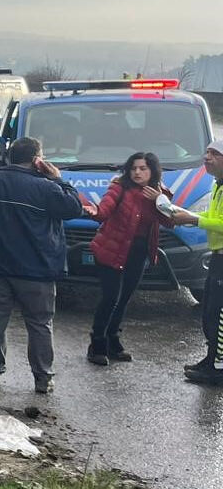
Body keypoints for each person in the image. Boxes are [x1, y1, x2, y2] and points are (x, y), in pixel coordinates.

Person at [0, 137, 86, 394]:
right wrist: (58, 178)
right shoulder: (46, 188)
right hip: (36, 269)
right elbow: (74, 207)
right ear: (36, 160)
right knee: (40, 323)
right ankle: (43, 378)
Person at [84, 152, 172, 365]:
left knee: (124, 298)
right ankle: (97, 343)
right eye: (133, 168)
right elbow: (103, 211)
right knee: (111, 297)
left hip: (138, 253)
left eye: (143, 168)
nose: (137, 172)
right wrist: (92, 210)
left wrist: (159, 199)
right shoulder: (119, 187)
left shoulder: (160, 193)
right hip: (111, 249)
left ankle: (113, 340)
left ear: (153, 171)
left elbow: (169, 221)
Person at [168, 139, 223, 385]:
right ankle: (211, 359)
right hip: (217, 257)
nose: (206, 157)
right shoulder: (217, 185)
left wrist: (193, 221)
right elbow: (213, 216)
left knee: (218, 313)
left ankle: (217, 368)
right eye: (207, 151)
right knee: (209, 311)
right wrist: (187, 214)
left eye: (213, 153)